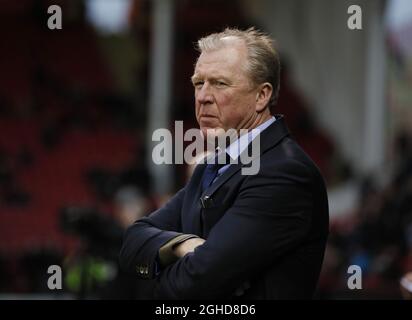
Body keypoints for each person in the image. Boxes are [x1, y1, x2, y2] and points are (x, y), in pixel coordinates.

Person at [119, 27, 329, 299]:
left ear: (262, 96)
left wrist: (156, 269)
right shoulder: (213, 166)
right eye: (198, 83)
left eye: (219, 83)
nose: (203, 97)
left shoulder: (285, 174)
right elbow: (132, 241)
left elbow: (194, 285)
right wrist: (184, 245)